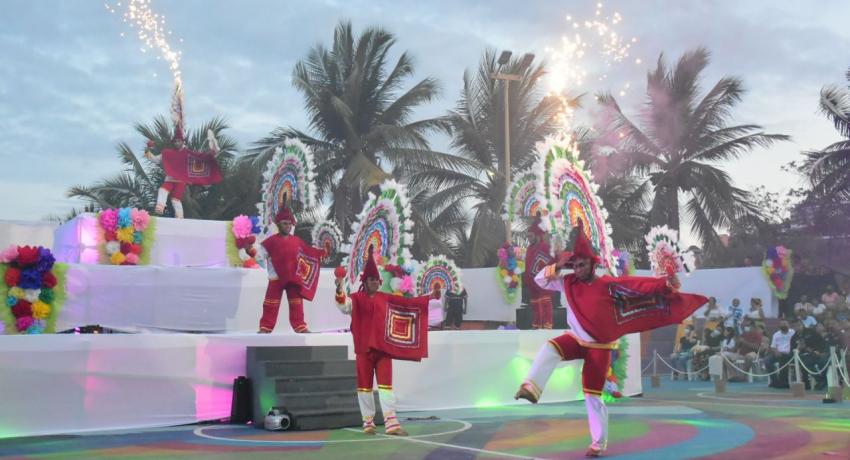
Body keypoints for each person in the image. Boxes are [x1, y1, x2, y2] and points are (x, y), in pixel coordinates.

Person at [513, 226, 707, 457]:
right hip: (576, 339)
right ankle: (531, 388)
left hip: (600, 347)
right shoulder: (567, 282)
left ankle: (598, 444)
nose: (578, 269)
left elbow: (637, 285)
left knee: (592, 396)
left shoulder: (607, 285)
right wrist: (558, 265)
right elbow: (539, 280)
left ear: (592, 264)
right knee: (550, 347)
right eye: (575, 265)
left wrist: (664, 284)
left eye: (582, 264)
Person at [335, 246, 430, 436]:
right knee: (364, 388)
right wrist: (339, 286)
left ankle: (391, 424)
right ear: (365, 281)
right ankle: (368, 423)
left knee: (386, 387)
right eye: (371, 280)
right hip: (363, 351)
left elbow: (408, 305)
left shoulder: (386, 298)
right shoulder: (356, 298)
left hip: (383, 351)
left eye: (377, 280)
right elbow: (343, 305)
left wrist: (428, 299)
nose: (375, 282)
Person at [257, 203, 324, 333]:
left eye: (289, 224)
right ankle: (265, 327)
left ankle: (300, 326)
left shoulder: (296, 241)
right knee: (270, 303)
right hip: (275, 278)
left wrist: (322, 253)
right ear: (278, 224)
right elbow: (259, 255)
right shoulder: (270, 241)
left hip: (293, 278)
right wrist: (250, 250)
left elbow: (308, 254)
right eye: (284, 223)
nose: (288, 226)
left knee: (296, 303)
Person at [144, 127, 223, 219]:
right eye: (175, 141)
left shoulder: (188, 154)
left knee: (175, 200)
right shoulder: (167, 153)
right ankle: (161, 207)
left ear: (183, 142)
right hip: (169, 179)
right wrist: (147, 149)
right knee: (163, 190)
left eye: (179, 141)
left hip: (181, 181)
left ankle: (179, 218)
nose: (177, 143)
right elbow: (155, 159)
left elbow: (201, 158)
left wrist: (212, 153)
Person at [524, 215, 554, 329]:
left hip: (543, 281)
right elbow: (528, 265)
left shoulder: (545, 247)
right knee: (535, 304)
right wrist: (528, 279)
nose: (529, 238)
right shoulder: (529, 248)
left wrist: (548, 277)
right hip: (532, 282)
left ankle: (547, 324)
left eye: (531, 236)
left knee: (545, 302)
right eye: (527, 236)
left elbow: (551, 263)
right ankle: (537, 324)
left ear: (537, 236)